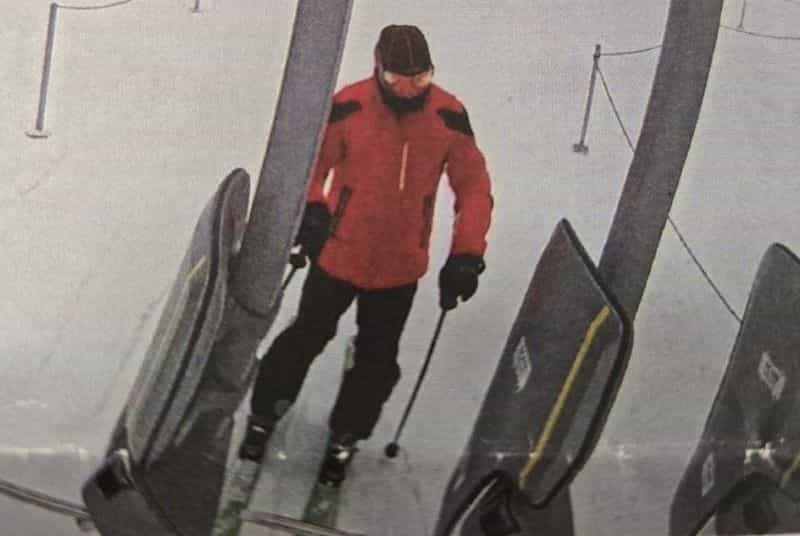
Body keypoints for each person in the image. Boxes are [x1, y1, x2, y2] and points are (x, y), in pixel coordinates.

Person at [237, 24, 493, 487]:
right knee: (305, 337)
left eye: (421, 78)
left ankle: (347, 434)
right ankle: (264, 413)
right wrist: (312, 208)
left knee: (378, 359)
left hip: (400, 268)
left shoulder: (448, 117)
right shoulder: (350, 105)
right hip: (337, 256)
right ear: (378, 70)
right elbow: (313, 166)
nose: (411, 89)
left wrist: (466, 254)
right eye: (398, 80)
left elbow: (473, 188)